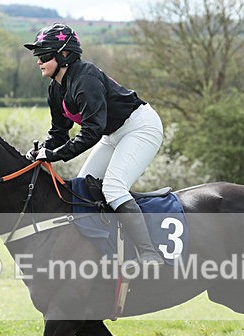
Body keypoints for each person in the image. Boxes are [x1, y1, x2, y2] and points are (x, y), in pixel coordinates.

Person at [23, 23, 164, 265]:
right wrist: (42, 150)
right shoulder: (55, 89)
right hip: (113, 134)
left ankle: (149, 253)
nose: (38, 61)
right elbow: (59, 132)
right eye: (38, 55)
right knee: (81, 189)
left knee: (113, 188)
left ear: (64, 55)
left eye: (44, 55)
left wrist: (54, 155)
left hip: (140, 127)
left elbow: (91, 132)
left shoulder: (85, 78)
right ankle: (102, 250)